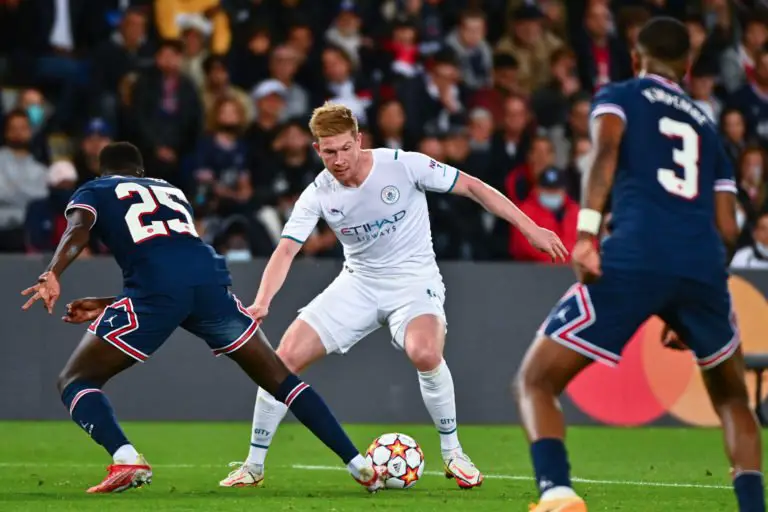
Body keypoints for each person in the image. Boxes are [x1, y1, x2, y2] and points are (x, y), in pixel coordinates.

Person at [220, 102, 567, 489]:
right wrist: (263, 301)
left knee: (425, 353)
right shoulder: (317, 193)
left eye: (345, 148)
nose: (339, 160)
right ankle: (253, 466)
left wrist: (530, 227)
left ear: (359, 140)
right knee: (281, 360)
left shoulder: (403, 165)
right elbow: (286, 249)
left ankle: (454, 453)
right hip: (358, 283)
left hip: (414, 281)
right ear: (317, 149)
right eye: (329, 152)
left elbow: (473, 187)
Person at [19, 142, 386, 494]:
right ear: (140, 171)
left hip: (158, 290)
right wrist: (110, 303)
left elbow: (78, 229)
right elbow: (179, 267)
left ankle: (126, 458)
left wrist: (54, 272)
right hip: (210, 283)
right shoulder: (172, 191)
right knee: (282, 380)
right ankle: (359, 465)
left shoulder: (95, 189)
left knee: (75, 380)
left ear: (103, 171)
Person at [515, 17, 764, 512]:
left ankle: (557, 493)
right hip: (702, 269)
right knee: (734, 399)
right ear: (687, 67)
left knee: (536, 380)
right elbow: (728, 227)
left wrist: (587, 234)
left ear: (635, 59)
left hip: (634, 256)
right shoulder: (709, 129)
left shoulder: (620, 95)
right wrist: (695, 294)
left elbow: (605, 153)